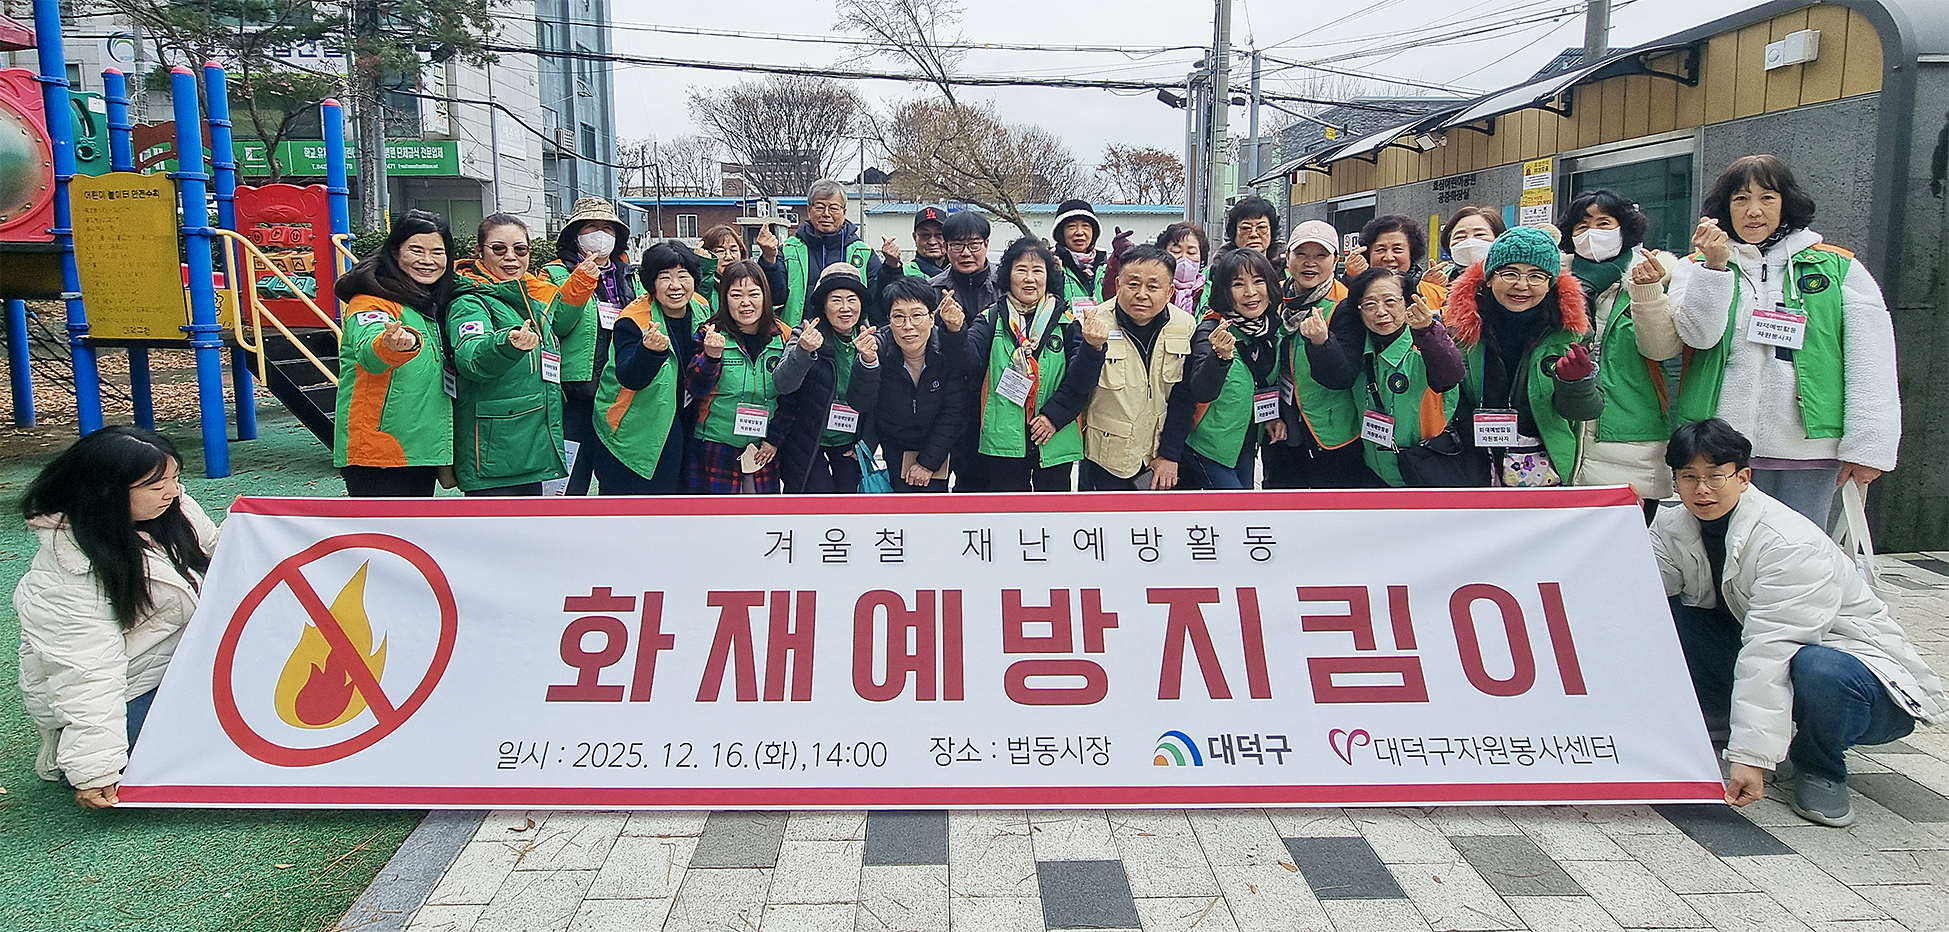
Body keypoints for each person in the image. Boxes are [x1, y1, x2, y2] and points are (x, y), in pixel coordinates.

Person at [1652, 418, 1945, 826]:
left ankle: (1820, 766)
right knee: (1661, 614)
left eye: (1715, 476)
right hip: (1775, 655)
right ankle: (1719, 713)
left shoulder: (1788, 543)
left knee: (1816, 667)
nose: (1702, 489)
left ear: (1743, 477)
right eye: (1689, 477)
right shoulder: (1673, 525)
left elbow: (1772, 649)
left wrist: (1751, 757)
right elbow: (1635, 594)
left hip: (1862, 683)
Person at [1667, 154, 1901, 528]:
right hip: (1720, 446)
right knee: (1725, 548)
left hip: (1808, 448)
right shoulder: (1695, 266)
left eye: (1767, 198)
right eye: (1741, 199)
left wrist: (1868, 447)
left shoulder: (1839, 268)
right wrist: (1715, 267)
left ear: (1785, 203)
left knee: (1799, 548)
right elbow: (1699, 336)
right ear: (1725, 207)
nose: (1753, 211)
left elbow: (1871, 362)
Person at [16, 427, 216, 809]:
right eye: (155, 485)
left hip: (183, 664)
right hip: (131, 689)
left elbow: (222, 553)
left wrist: (252, 527)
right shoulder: (64, 576)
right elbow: (87, 672)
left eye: (174, 478)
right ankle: (76, 758)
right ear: (106, 492)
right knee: (201, 741)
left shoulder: (173, 510)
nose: (171, 492)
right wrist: (95, 769)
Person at [448, 214, 596, 496]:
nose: (511, 257)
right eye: (498, 249)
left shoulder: (529, 295)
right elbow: (471, 357)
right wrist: (506, 344)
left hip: (529, 445)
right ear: (480, 251)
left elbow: (560, 323)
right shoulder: (470, 300)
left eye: (520, 249)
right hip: (496, 451)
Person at [1558, 190, 1684, 518]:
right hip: (1560, 430)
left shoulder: (1653, 274)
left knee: (1628, 541)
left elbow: (1662, 349)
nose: (1592, 233)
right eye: (1582, 226)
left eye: (1604, 223)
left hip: (1628, 436)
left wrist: (1647, 291)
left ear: (1624, 228)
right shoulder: (1552, 279)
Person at [1446, 225, 1603, 486]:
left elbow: (1586, 411)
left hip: (1543, 467)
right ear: (1489, 278)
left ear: (1550, 284)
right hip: (1471, 463)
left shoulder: (1570, 333)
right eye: (1509, 273)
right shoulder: (1462, 329)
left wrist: (1576, 383)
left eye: (1536, 276)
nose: (1522, 285)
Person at [959, 236, 1109, 491]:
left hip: (1055, 436)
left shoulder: (1067, 322)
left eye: (1037, 270)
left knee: (1052, 511)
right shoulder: (990, 318)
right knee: (1008, 510)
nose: (1030, 279)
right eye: (1021, 270)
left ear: (1048, 277)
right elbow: (967, 362)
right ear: (1008, 276)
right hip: (1003, 441)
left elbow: (1081, 382)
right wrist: (954, 332)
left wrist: (1093, 348)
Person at [1298, 267, 1464, 487]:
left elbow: (1451, 375)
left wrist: (1428, 330)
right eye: (1370, 304)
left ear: (1407, 303)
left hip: (1425, 467)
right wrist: (1320, 342)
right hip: (1374, 471)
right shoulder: (1358, 348)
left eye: (1390, 301)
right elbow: (1335, 376)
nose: (1381, 312)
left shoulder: (1425, 345)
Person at [331, 209, 454, 497]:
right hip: (378, 453)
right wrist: (390, 346)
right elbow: (369, 351)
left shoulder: (428, 303)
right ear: (396, 251)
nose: (428, 260)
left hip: (420, 450)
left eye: (438, 252)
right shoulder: (371, 300)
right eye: (416, 250)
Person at [587, 242, 703, 494]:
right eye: (665, 277)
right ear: (651, 283)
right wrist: (649, 352)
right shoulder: (634, 319)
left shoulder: (701, 309)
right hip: (636, 430)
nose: (675, 285)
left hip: (684, 421)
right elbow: (629, 376)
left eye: (683, 276)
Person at [1078, 245, 1196, 491]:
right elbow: (1077, 386)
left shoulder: (1185, 326)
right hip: (1105, 457)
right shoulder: (1093, 322)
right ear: (1118, 284)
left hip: (1158, 452)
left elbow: (1184, 396)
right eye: (1133, 284)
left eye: (1153, 287)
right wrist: (1091, 347)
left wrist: (1170, 454)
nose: (1142, 294)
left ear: (1169, 291)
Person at [541, 197, 634, 495]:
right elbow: (556, 324)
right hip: (575, 394)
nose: (601, 235)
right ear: (575, 234)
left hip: (620, 393)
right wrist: (581, 280)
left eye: (608, 228)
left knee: (616, 483)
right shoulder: (552, 274)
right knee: (568, 483)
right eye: (591, 227)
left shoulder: (629, 276)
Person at [1263, 221, 1366, 489]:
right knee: (1282, 504)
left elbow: (1343, 376)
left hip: (1333, 433)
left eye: (1321, 255)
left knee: (1333, 508)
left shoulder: (1346, 305)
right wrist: (1268, 414)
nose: (1310, 263)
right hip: (1282, 429)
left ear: (1335, 260)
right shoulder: (1271, 298)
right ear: (1287, 257)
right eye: (1301, 254)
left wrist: (1322, 343)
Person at [1179, 248, 1284, 489]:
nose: (1250, 292)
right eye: (1238, 284)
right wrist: (1220, 358)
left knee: (1244, 503)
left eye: (1258, 281)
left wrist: (1273, 416)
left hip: (1246, 443)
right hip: (1209, 446)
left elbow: (1266, 383)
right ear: (1224, 291)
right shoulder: (1212, 330)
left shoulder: (1272, 329)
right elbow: (1201, 390)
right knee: (1236, 506)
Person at [773, 264, 883, 493]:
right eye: (836, 300)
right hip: (808, 438)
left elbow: (877, 402)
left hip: (850, 439)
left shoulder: (872, 339)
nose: (845, 308)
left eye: (851, 299)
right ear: (823, 305)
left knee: (850, 497)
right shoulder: (805, 334)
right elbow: (783, 384)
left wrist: (868, 443)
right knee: (817, 495)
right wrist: (803, 351)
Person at [686, 259, 791, 493]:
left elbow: (791, 396)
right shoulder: (709, 333)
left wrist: (774, 439)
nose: (745, 303)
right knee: (716, 514)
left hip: (764, 449)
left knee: (761, 514)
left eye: (753, 294)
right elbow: (695, 389)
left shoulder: (784, 335)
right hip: (715, 445)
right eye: (736, 295)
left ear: (765, 296)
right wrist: (711, 357)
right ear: (724, 298)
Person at [867, 276, 971, 492]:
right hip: (895, 444)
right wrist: (866, 363)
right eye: (898, 317)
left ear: (932, 318)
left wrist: (927, 462)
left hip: (941, 443)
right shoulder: (879, 350)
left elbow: (954, 411)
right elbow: (864, 402)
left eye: (916, 316)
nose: (908, 326)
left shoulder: (947, 351)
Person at [778, 179, 873, 327]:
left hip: (850, 337)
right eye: (820, 207)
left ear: (844, 212)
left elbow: (877, 303)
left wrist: (891, 268)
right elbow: (775, 297)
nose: (826, 214)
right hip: (798, 334)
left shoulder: (863, 252)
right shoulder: (788, 250)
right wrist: (768, 262)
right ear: (809, 210)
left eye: (833, 208)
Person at [1344, 214, 1449, 310]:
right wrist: (1353, 280)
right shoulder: (1345, 289)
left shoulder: (1435, 293)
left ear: (1412, 252)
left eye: (1397, 249)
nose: (1389, 257)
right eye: (1380, 249)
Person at [869, 205, 951, 323]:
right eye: (925, 235)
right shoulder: (903, 272)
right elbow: (884, 304)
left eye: (939, 235)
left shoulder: (958, 271)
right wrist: (891, 266)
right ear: (914, 237)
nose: (932, 242)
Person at [700, 223, 785, 308]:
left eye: (733, 250)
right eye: (720, 251)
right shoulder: (701, 286)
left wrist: (769, 258)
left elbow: (775, 298)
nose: (729, 257)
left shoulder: (753, 279)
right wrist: (705, 270)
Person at [1052, 199, 1109, 306]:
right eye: (1071, 226)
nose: (1079, 232)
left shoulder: (1105, 267)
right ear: (1061, 233)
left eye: (1085, 226)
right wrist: (1054, 273)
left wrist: (1120, 259)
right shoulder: (1050, 264)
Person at [1437, 206, 1504, 281]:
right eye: (1460, 237)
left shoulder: (1508, 278)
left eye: (1479, 234)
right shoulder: (1442, 278)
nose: (1469, 241)